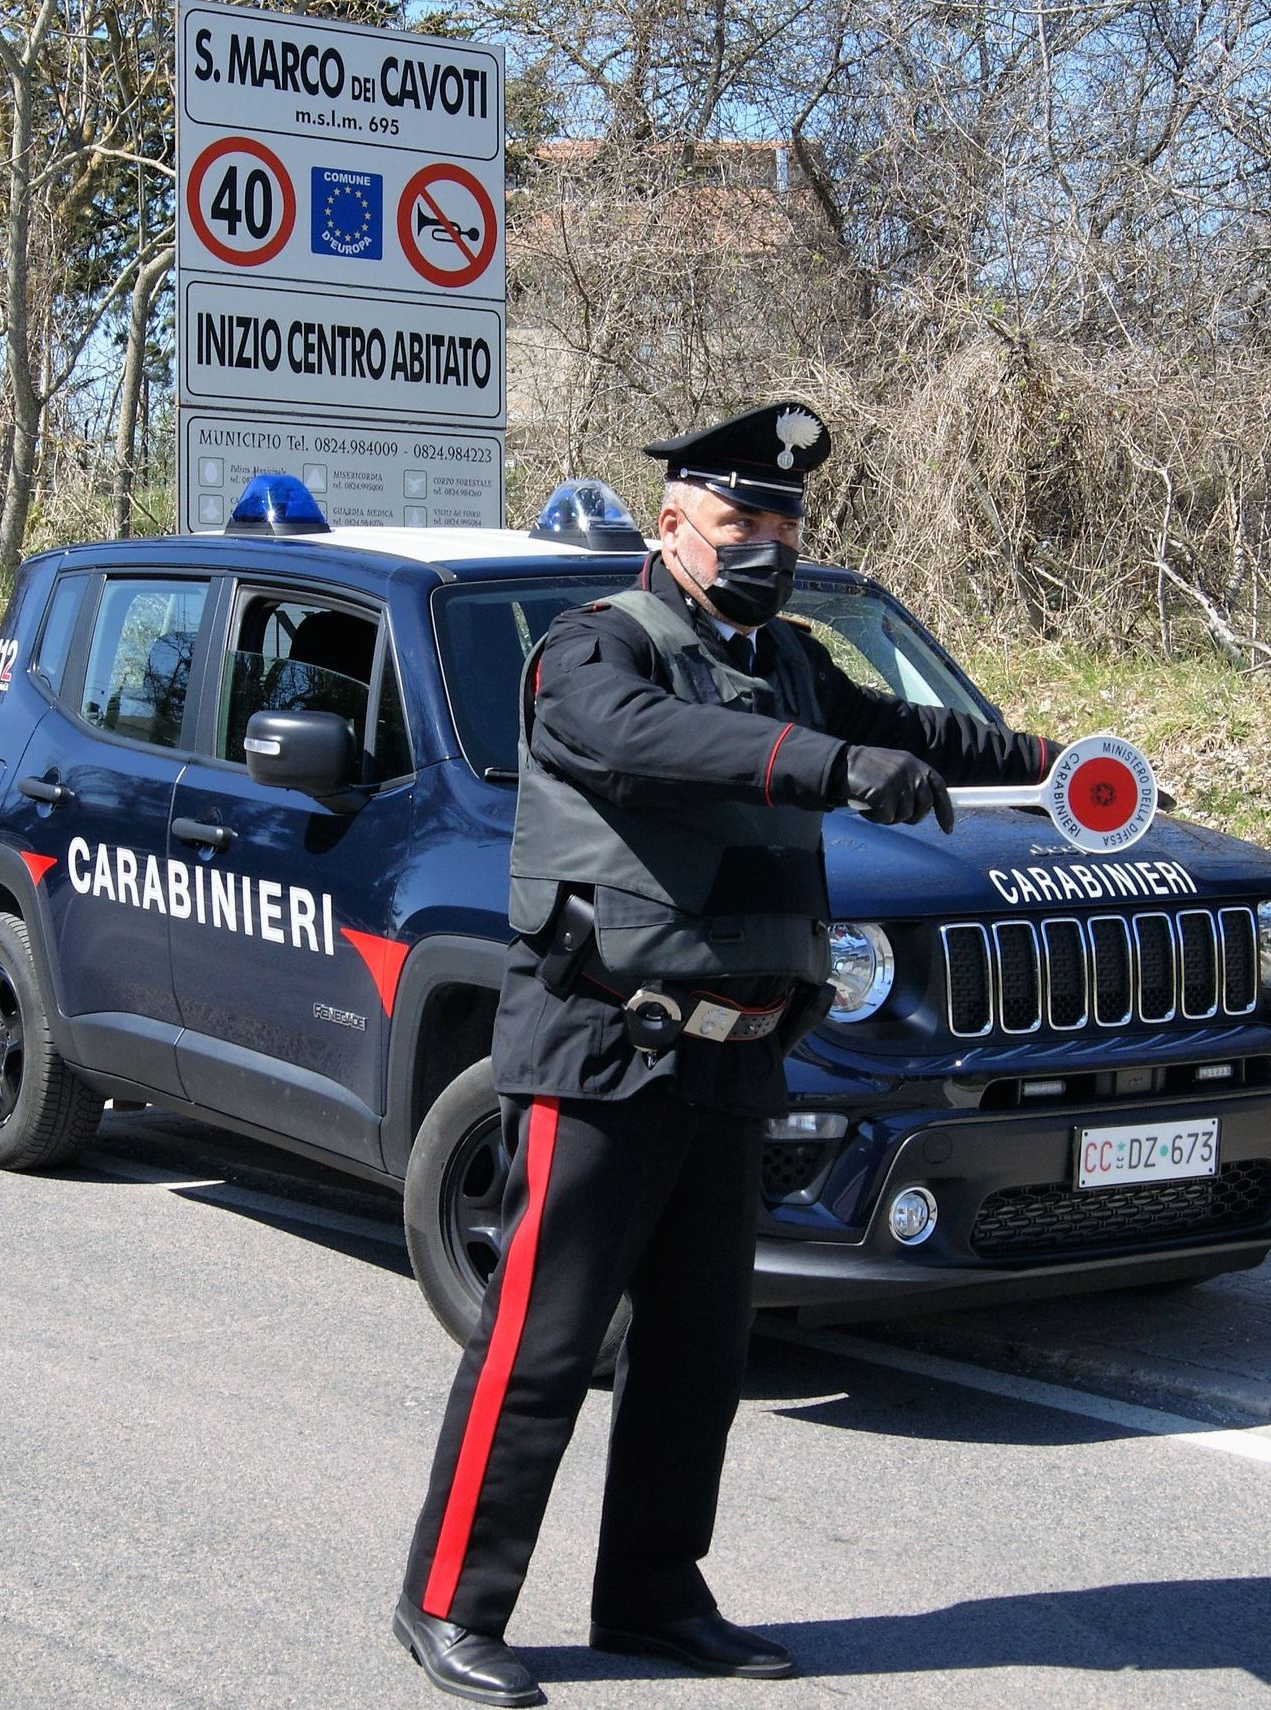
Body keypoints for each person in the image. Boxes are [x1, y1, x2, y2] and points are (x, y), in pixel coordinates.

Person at [392, 401, 1055, 1706]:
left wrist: (1054, 760)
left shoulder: (792, 661)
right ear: (674, 522)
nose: (767, 540)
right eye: (741, 517)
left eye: (785, 519)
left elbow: (912, 733)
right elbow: (648, 744)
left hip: (734, 1052)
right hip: (602, 1041)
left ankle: (651, 1592)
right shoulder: (588, 650)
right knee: (544, 1336)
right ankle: (449, 1600)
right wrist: (829, 768)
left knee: (699, 1349)